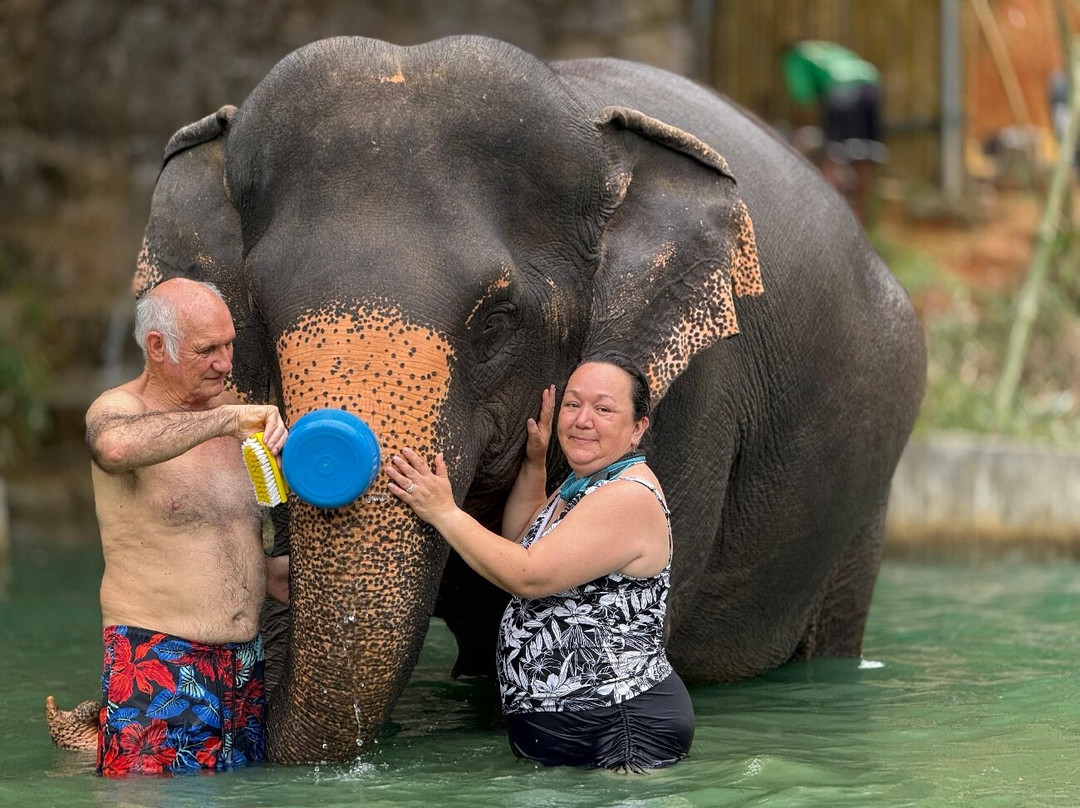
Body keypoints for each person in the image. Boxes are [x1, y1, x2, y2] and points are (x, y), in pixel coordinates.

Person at [388, 351, 693, 772]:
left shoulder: (627, 496)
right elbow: (522, 538)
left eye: (603, 409)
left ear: (638, 427)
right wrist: (534, 462)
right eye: (573, 404)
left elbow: (529, 573)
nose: (582, 420)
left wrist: (444, 511)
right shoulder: (582, 486)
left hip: (620, 729)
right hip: (578, 728)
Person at [85, 277, 290, 776]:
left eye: (229, 346)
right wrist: (223, 421)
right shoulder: (121, 409)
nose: (225, 363)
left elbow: (236, 540)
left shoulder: (238, 416)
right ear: (157, 347)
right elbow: (114, 448)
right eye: (207, 351)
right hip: (159, 659)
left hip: (243, 666)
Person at [782, 40, 887, 222]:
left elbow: (802, 95)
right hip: (871, 84)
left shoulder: (795, 56)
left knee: (834, 153)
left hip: (841, 88)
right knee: (863, 152)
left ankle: (831, 218)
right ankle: (861, 218)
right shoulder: (827, 49)